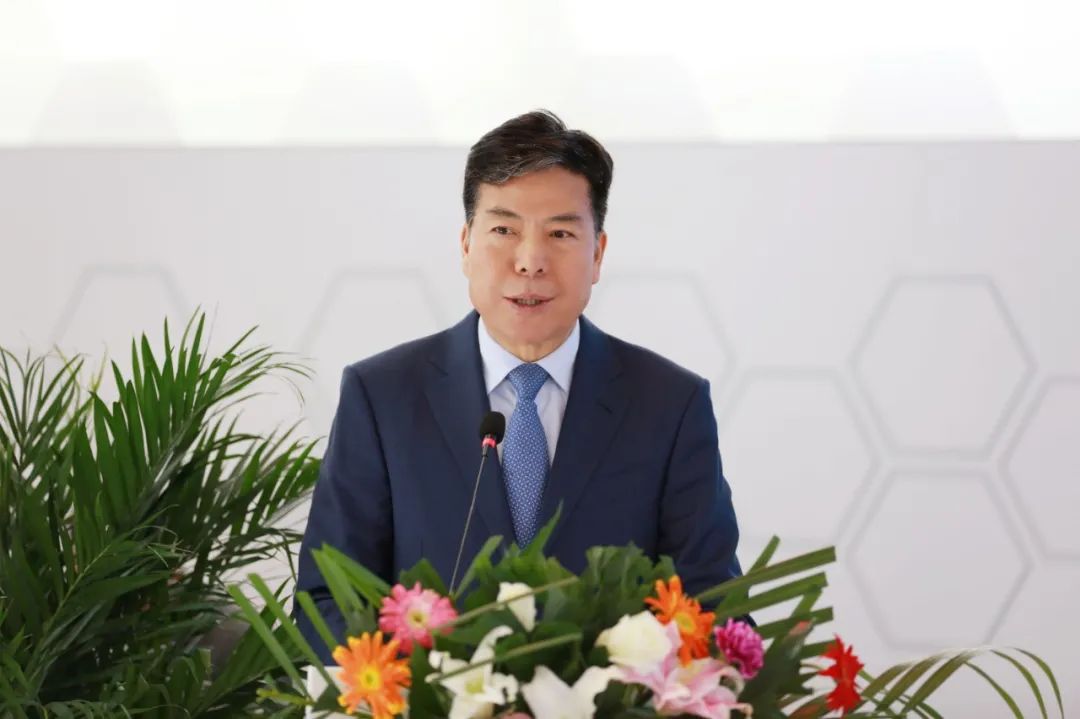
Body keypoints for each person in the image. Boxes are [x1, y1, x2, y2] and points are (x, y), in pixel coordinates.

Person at [295, 109, 743, 661]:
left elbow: (714, 608)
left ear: (597, 254)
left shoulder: (669, 405)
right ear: (466, 245)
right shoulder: (382, 397)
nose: (530, 261)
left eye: (560, 233)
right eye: (504, 230)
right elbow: (326, 601)